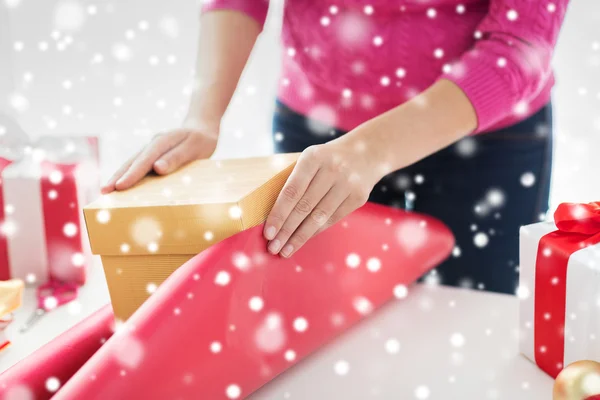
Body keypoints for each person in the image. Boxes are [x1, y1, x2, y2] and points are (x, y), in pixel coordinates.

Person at [102, 1, 569, 295]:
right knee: (320, 323)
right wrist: (203, 116)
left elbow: (520, 44)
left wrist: (369, 151)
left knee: (471, 319)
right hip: (317, 127)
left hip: (485, 137)